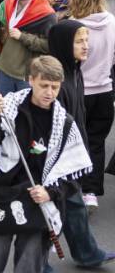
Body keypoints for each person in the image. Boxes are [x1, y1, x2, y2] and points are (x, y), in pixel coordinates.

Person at [0, 56, 90, 273]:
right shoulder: (8, 108)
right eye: (44, 85)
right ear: (30, 80)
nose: (49, 93)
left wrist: (50, 192)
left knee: (29, 267)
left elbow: (74, 176)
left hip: (39, 203)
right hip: (2, 194)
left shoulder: (65, 124)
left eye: (55, 87)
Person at [46, 20, 115, 270]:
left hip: (71, 156)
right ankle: (36, 262)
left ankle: (87, 253)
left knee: (74, 206)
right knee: (47, 212)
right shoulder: (55, 81)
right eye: (79, 41)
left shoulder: (75, 70)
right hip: (54, 161)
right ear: (65, 45)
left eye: (87, 40)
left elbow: (79, 116)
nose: (86, 46)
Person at [66, 0, 115, 211]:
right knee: (96, 143)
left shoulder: (73, 26)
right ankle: (91, 192)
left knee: (72, 141)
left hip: (79, 92)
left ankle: (71, 188)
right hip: (105, 91)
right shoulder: (111, 21)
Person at [0, 0, 56, 95]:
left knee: (24, 112)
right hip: (4, 67)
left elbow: (50, 45)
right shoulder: (8, 3)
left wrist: (22, 37)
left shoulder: (46, 14)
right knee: (5, 109)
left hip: (27, 74)